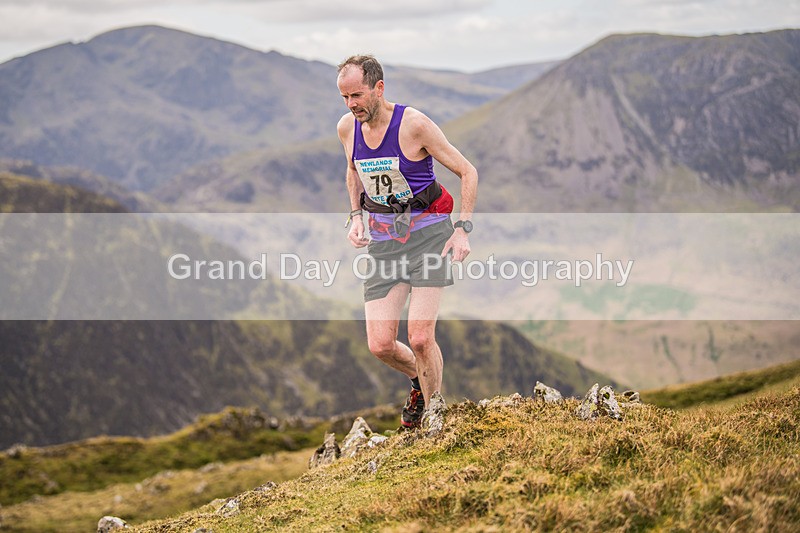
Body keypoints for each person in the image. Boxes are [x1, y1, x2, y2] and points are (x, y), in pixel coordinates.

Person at [336, 55, 478, 430]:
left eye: (357, 95)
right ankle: (420, 380)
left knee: (419, 337)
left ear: (378, 88)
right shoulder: (347, 129)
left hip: (430, 235)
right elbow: (352, 170)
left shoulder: (414, 125)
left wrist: (462, 230)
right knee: (380, 344)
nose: (352, 104)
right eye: (345, 97)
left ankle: (434, 420)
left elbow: (468, 171)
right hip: (385, 241)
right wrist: (355, 216)